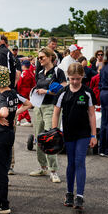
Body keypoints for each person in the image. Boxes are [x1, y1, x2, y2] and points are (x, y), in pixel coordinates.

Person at [52, 63, 97, 211]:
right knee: (71, 163)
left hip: (83, 134)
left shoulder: (88, 92)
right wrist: (54, 131)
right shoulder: (63, 92)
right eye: (72, 79)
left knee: (80, 162)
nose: (75, 81)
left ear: (82, 77)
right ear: (68, 77)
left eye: (78, 78)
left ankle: (80, 196)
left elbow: (92, 114)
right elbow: (56, 113)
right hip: (68, 133)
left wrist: (93, 135)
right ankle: (69, 193)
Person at [29, 47, 67, 181]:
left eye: (42, 57)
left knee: (50, 137)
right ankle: (42, 167)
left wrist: (47, 92)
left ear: (51, 57)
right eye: (38, 58)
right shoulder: (39, 72)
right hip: (38, 106)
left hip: (51, 106)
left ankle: (53, 170)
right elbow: (37, 86)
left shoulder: (58, 71)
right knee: (38, 136)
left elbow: (64, 88)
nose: (39, 60)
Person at [0, 65, 20, 214]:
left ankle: (1, 203)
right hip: (9, 133)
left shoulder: (1, 96)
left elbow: (4, 111)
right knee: (3, 168)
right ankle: (1, 201)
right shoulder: (12, 93)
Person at [16, 59, 35, 126]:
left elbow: (19, 83)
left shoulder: (23, 73)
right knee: (24, 105)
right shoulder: (31, 73)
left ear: (23, 66)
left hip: (22, 91)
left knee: (22, 106)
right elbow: (34, 84)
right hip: (29, 91)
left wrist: (17, 90)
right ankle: (19, 120)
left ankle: (28, 120)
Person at [99, 49, 108, 157]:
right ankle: (107, 149)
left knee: (104, 122)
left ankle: (102, 148)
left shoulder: (104, 66)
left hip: (103, 93)